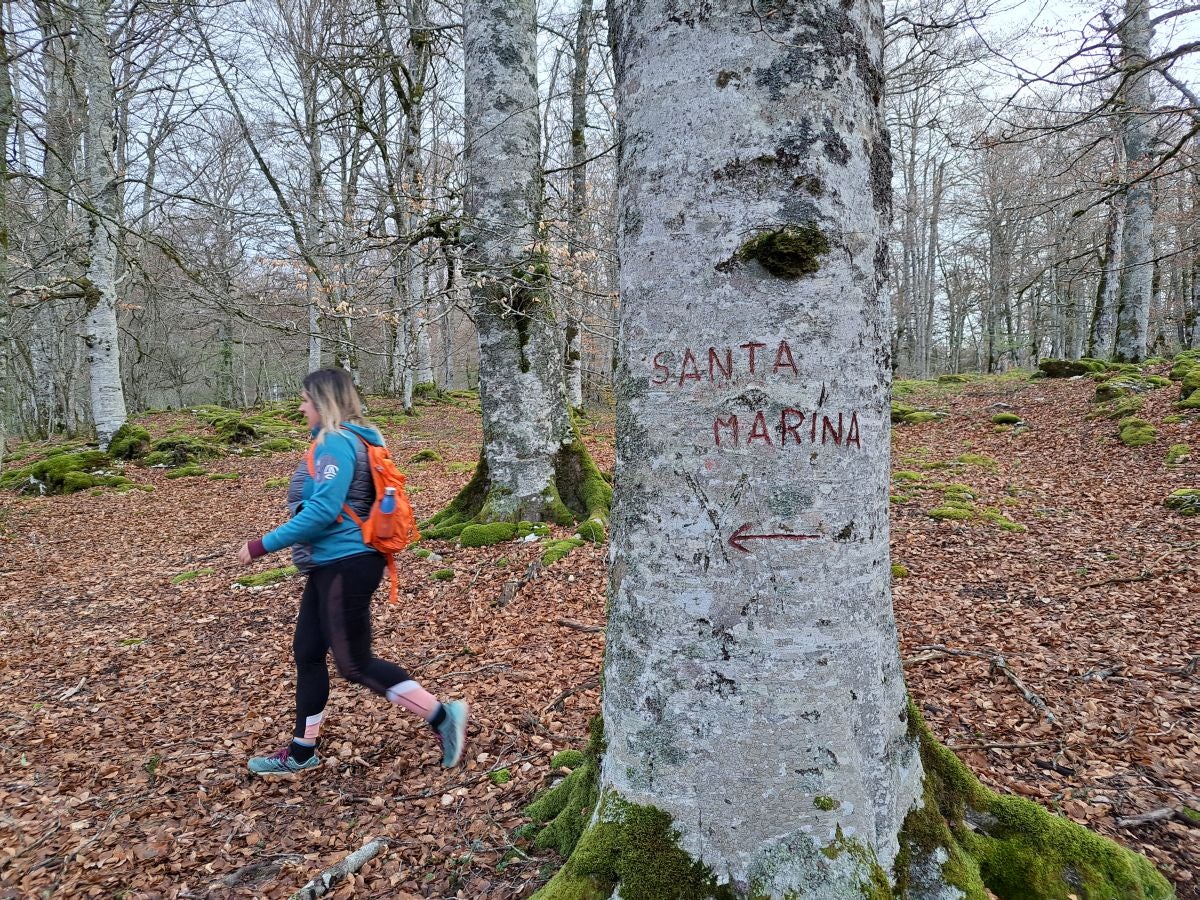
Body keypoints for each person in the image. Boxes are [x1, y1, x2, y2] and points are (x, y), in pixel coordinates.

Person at [236, 367, 467, 777]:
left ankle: (441, 715)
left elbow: (324, 511)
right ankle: (302, 750)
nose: (301, 406)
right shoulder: (350, 439)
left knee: (355, 664)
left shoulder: (336, 443)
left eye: (306, 399)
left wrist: (260, 546)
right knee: (307, 652)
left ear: (324, 402)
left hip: (346, 563)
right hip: (331, 565)